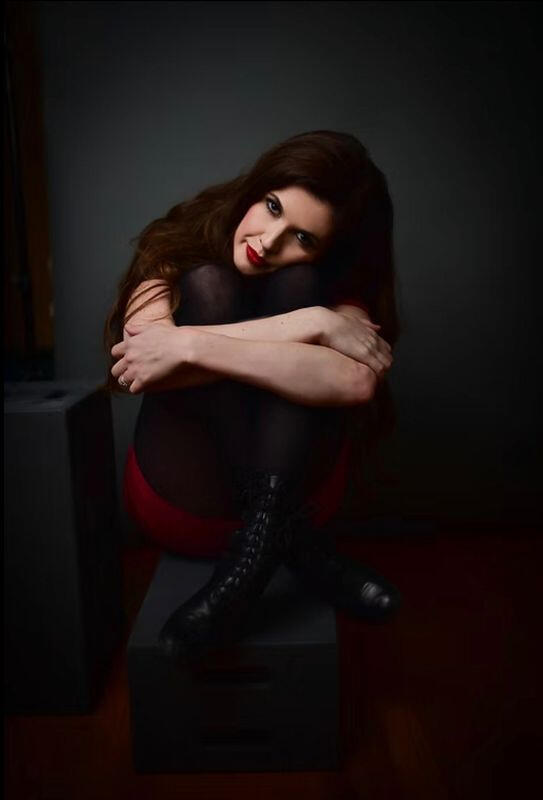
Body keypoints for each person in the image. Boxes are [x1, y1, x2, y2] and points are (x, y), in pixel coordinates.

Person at [103, 130, 402, 663]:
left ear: (331, 250)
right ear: (257, 188)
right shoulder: (175, 244)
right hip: (184, 500)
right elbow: (141, 366)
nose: (267, 242)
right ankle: (296, 543)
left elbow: (356, 381)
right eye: (271, 207)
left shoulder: (332, 286)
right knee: (209, 284)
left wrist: (191, 345)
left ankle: (261, 541)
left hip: (296, 489)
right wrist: (312, 326)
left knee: (298, 285)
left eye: (302, 238)